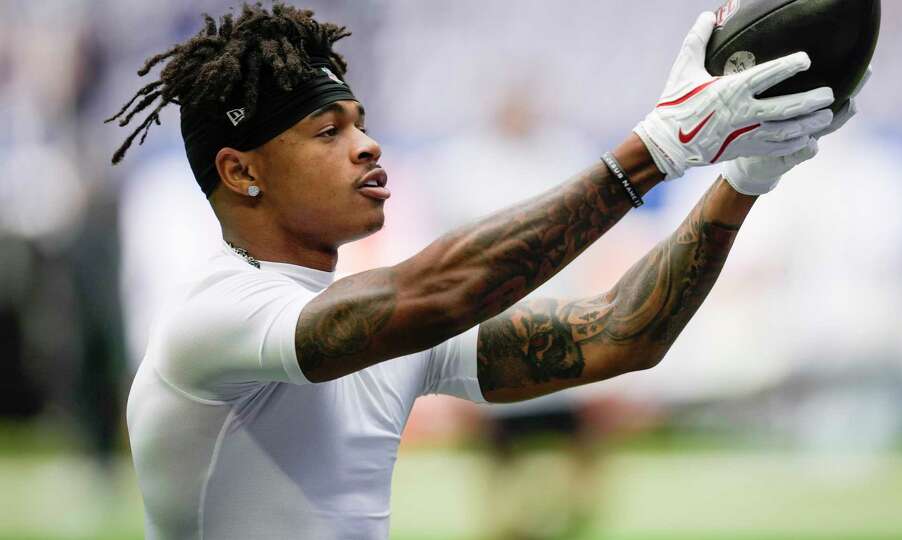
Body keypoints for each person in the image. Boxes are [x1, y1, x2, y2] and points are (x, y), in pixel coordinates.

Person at [109, 3, 859, 539]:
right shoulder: (216, 315)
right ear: (241, 172)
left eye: (362, 123)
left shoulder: (369, 328)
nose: (367, 146)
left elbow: (621, 333)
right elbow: (434, 293)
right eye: (327, 131)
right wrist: (656, 148)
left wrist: (747, 178)